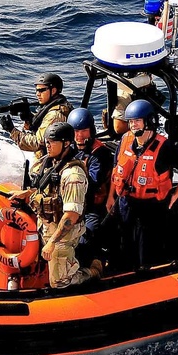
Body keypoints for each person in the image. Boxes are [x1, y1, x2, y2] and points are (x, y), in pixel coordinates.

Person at [8, 122, 103, 289]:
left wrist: (52, 242)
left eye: (52, 141)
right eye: (47, 141)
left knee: (59, 282)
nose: (47, 145)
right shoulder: (50, 164)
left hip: (63, 235)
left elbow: (71, 216)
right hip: (46, 225)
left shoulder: (73, 175)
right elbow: (46, 191)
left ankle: (94, 270)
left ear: (66, 143)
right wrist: (27, 194)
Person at [106, 99, 178, 270]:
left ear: (149, 122)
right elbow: (116, 169)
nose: (133, 125)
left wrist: (176, 196)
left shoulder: (164, 147)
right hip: (126, 204)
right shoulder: (125, 141)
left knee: (145, 251)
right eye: (131, 121)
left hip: (151, 208)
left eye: (137, 121)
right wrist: (111, 196)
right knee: (124, 245)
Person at [68, 108, 114, 259]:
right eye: (76, 131)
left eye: (83, 131)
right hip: (70, 203)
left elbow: (93, 183)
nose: (79, 136)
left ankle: (91, 266)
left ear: (91, 130)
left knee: (85, 239)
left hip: (92, 207)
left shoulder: (100, 154)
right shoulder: (70, 149)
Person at [9, 72, 73, 176]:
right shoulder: (55, 106)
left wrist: (12, 130)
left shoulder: (54, 115)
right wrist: (28, 119)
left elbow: (37, 143)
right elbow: (41, 127)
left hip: (48, 166)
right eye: (37, 90)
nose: (37, 94)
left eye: (42, 90)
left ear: (54, 90)